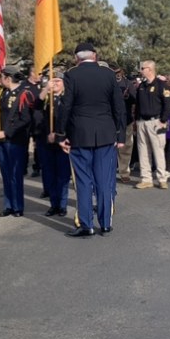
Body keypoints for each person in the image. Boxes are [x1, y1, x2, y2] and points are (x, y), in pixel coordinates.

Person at [56, 42, 125, 237]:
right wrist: (121, 135)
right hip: (105, 134)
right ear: (95, 55)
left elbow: (65, 107)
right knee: (104, 180)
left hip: (80, 134)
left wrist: (61, 134)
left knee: (84, 181)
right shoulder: (109, 74)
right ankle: (105, 223)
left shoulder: (72, 75)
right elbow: (119, 107)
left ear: (77, 57)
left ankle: (86, 224)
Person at [0, 66, 35, 217]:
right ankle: (8, 205)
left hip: (15, 140)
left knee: (15, 175)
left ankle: (18, 207)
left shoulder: (24, 94)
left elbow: (25, 119)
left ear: (8, 79)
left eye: (2, 77)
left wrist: (6, 132)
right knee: (5, 173)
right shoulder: (2, 93)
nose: (0, 80)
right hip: (1, 141)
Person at [133, 60, 170, 190]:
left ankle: (162, 178)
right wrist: (136, 120)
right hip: (142, 122)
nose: (141, 70)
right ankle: (146, 179)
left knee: (158, 150)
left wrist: (163, 120)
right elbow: (138, 105)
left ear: (150, 69)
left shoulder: (162, 85)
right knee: (143, 152)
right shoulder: (142, 86)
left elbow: (168, 104)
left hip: (156, 122)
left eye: (143, 68)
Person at [38, 71, 71, 217]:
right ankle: (54, 204)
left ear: (64, 82)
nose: (55, 83)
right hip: (47, 143)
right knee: (50, 175)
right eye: (53, 81)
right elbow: (36, 104)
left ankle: (63, 205)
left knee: (63, 176)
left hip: (62, 142)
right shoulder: (48, 98)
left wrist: (57, 136)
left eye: (58, 81)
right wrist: (46, 88)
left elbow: (70, 122)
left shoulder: (68, 98)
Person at [112, 63, 136, 184]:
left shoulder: (128, 84)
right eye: (114, 72)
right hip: (110, 120)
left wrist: (128, 96)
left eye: (118, 72)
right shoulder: (106, 83)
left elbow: (135, 99)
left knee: (126, 148)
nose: (116, 74)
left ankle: (124, 172)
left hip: (125, 120)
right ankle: (109, 171)